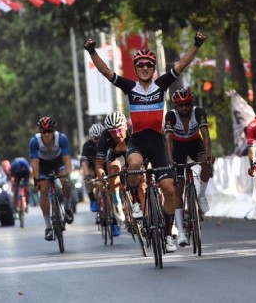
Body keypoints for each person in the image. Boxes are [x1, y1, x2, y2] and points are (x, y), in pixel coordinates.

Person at [83, 30, 206, 253]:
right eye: (141, 66)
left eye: (148, 65)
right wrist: (92, 51)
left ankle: (168, 234)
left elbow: (182, 65)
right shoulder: (130, 87)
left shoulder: (162, 84)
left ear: (153, 68)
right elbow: (105, 71)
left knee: (169, 190)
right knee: (135, 166)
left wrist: (197, 45)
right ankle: (136, 203)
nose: (145, 68)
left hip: (158, 143)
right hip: (138, 141)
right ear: (136, 69)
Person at [164, 88, 214, 247]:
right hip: (177, 146)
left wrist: (208, 154)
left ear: (191, 104)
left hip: (194, 143)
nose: (184, 108)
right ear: (176, 106)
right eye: (180, 105)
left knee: (206, 162)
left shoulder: (198, 112)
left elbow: (205, 133)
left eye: (187, 105)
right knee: (178, 186)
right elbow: (168, 138)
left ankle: (201, 195)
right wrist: (170, 158)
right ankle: (181, 232)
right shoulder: (171, 116)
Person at [30, 116, 74, 241]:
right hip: (43, 165)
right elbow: (35, 163)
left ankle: (67, 207)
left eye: (49, 131)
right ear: (40, 132)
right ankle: (48, 227)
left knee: (65, 181)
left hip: (57, 162)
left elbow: (67, 159)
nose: (47, 134)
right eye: (44, 132)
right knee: (44, 190)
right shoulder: (34, 141)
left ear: (54, 130)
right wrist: (36, 179)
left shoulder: (61, 138)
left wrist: (68, 175)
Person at [94, 111, 132, 237]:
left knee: (142, 184)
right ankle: (117, 201)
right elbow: (99, 164)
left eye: (119, 130)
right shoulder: (105, 136)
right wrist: (102, 179)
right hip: (116, 157)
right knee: (112, 169)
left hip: (133, 154)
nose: (116, 135)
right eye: (112, 132)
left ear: (125, 126)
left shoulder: (133, 130)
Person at [81, 123, 105, 213]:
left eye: (100, 138)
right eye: (96, 138)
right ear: (91, 138)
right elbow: (84, 162)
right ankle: (93, 199)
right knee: (89, 178)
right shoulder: (87, 145)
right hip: (91, 166)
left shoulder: (106, 143)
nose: (98, 141)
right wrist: (87, 176)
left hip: (104, 165)